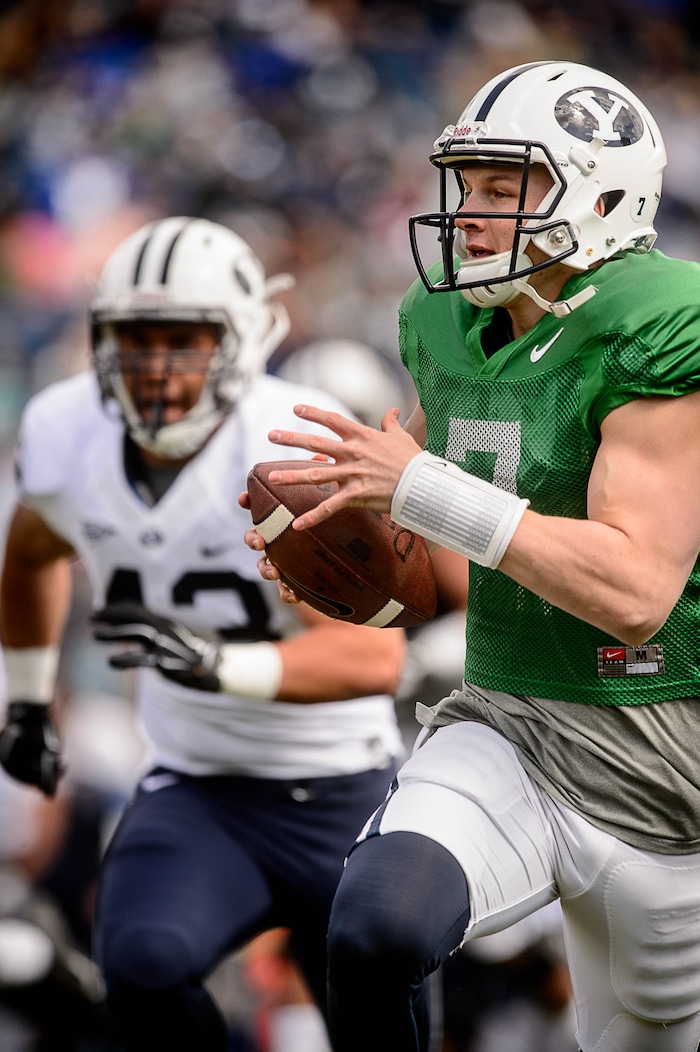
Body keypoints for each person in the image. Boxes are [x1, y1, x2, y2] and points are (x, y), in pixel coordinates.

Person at [242, 60, 700, 1052]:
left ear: (604, 195)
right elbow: (421, 544)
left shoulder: (663, 316)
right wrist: (351, 560)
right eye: (468, 184)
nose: (471, 212)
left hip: (664, 754)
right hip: (508, 719)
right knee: (373, 928)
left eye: (505, 187)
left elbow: (633, 589)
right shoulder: (439, 318)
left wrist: (418, 489)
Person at [0, 215, 407, 1052]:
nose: (156, 369)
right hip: (198, 783)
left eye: (184, 340)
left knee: (376, 987)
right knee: (140, 962)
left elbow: (374, 654)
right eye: (135, 339)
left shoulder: (292, 436)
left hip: (340, 785)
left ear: (247, 337)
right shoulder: (63, 426)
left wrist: (219, 665)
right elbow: (33, 549)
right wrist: (32, 698)